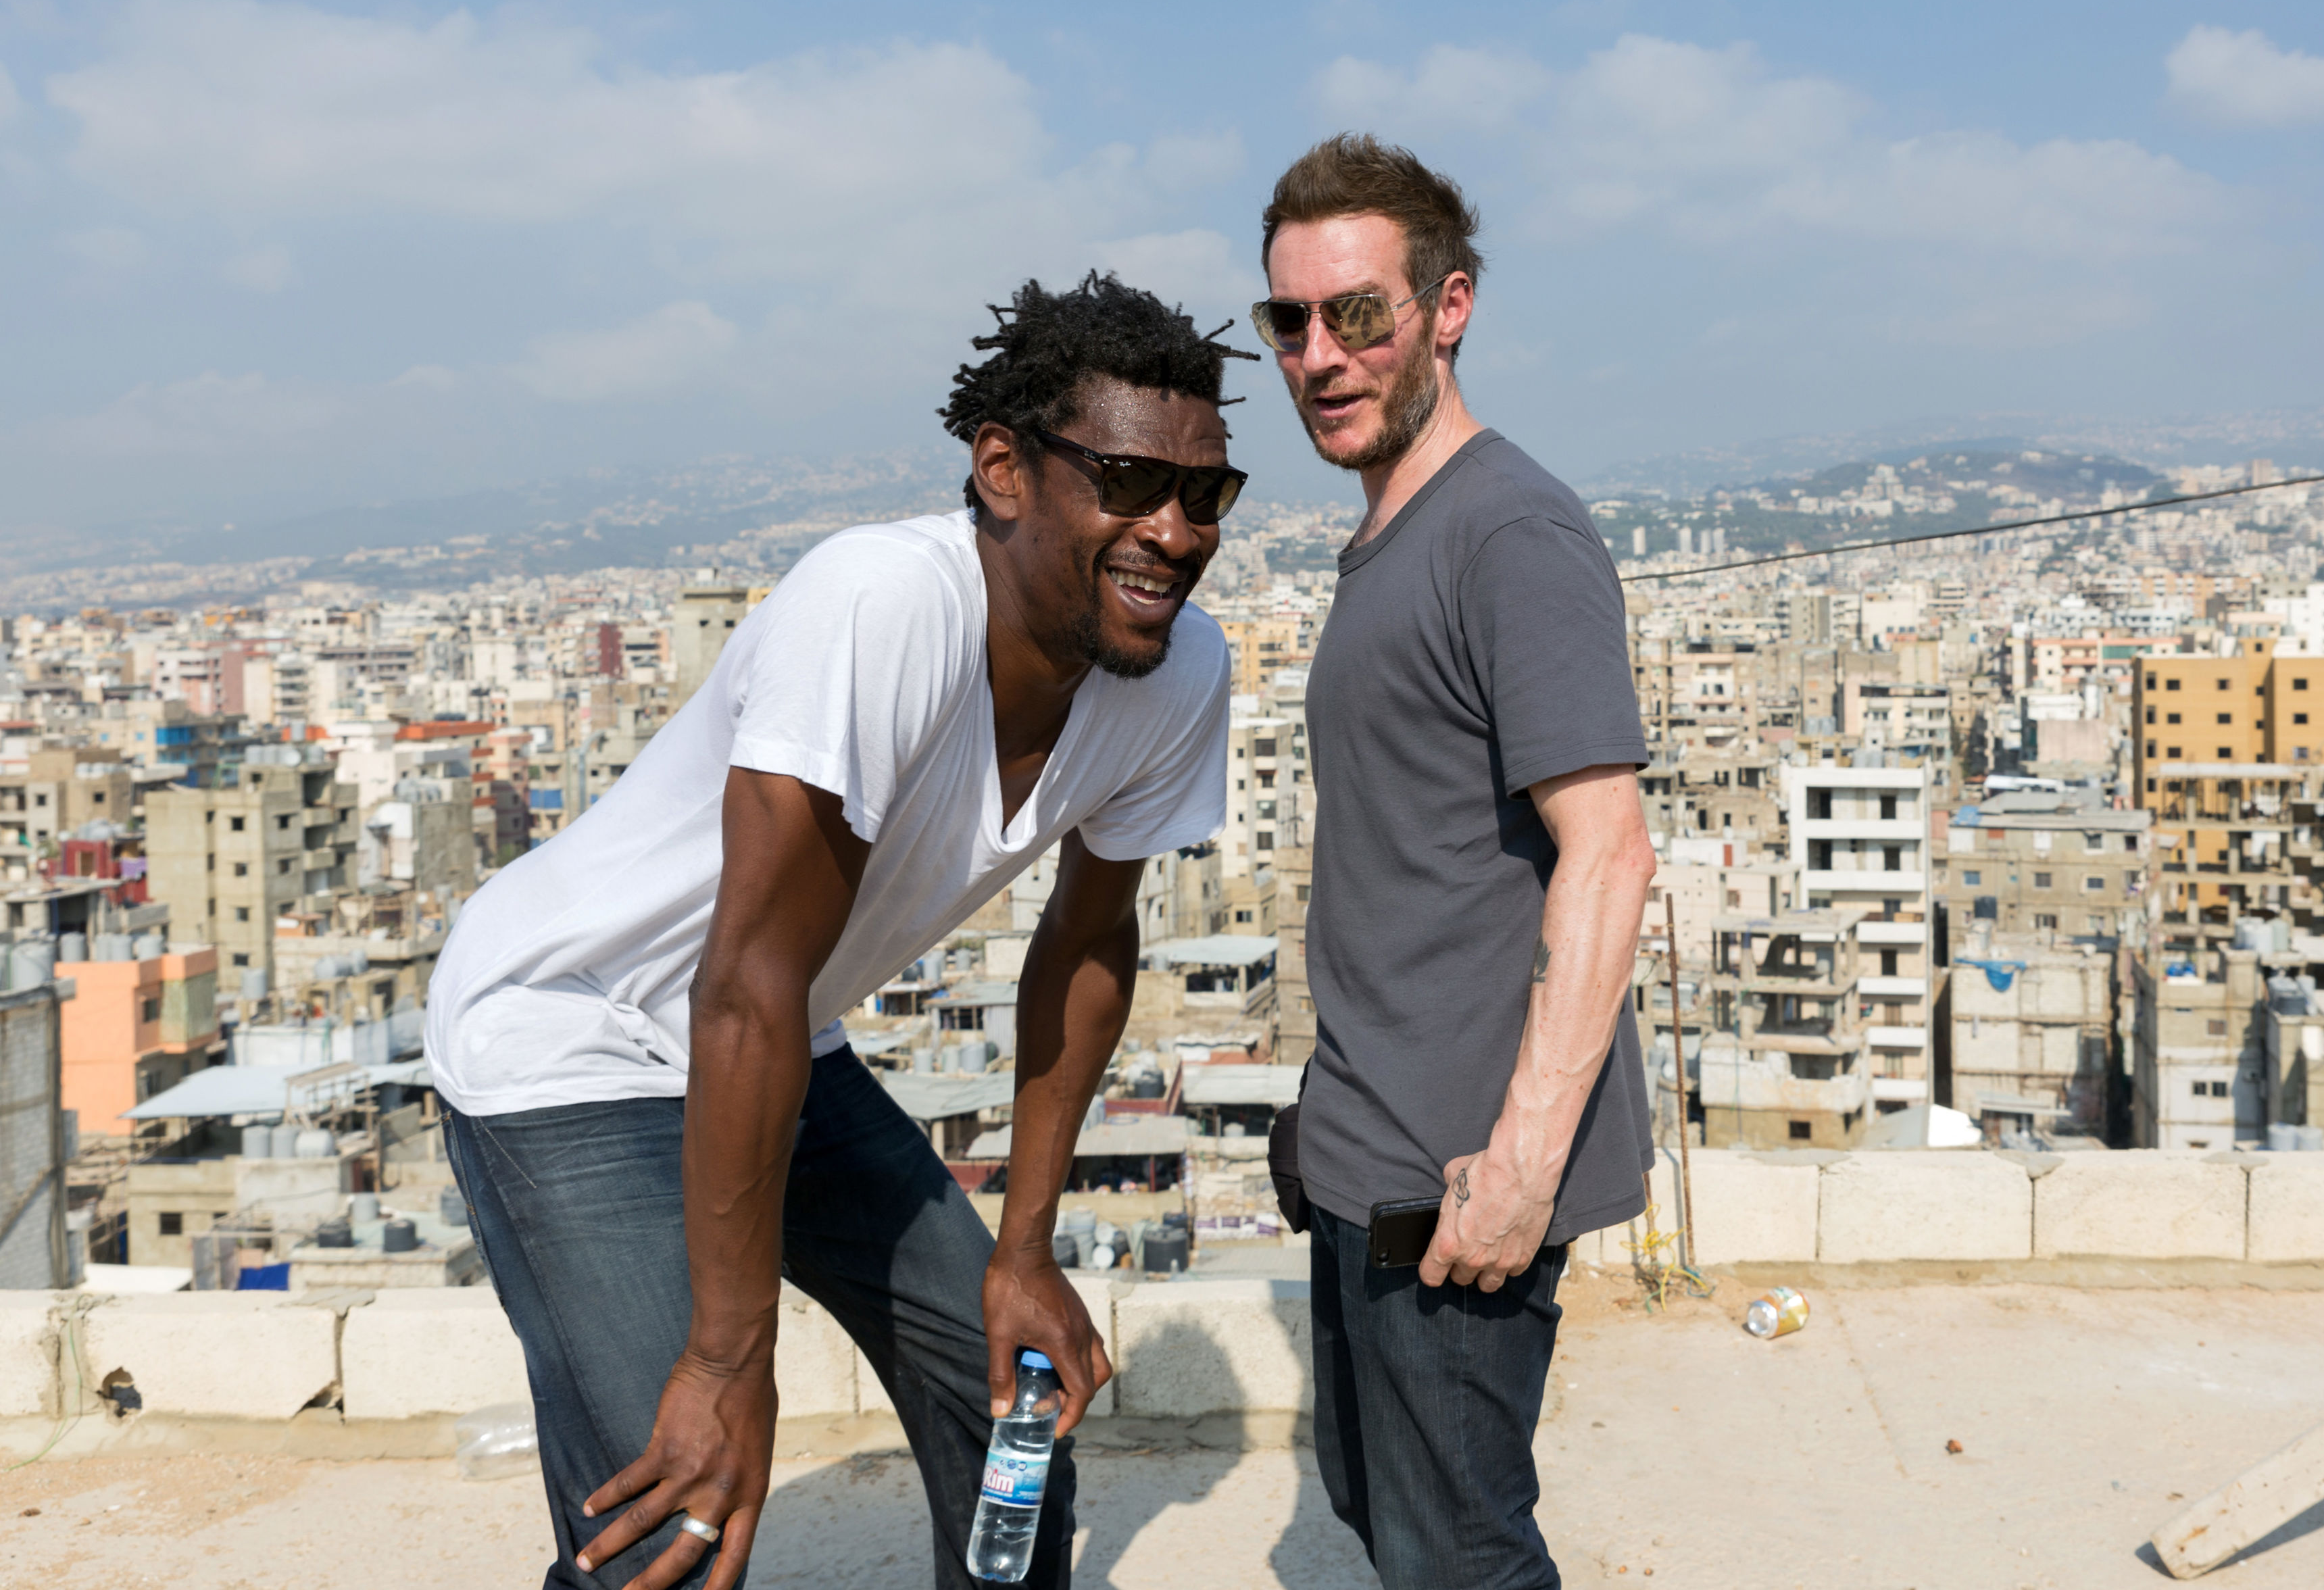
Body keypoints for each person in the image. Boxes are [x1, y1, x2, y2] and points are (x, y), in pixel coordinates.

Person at [427, 272, 1254, 1590]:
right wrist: (726, 1357)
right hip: (568, 1032)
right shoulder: (882, 604)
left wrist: (1024, 1250)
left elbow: (1088, 944)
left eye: (1204, 493)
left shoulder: (1178, 669)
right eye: (1128, 482)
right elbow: (744, 980)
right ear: (1002, 469)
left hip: (774, 1040)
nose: (1173, 530)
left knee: (1010, 1403)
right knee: (674, 1513)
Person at [1256, 135, 1658, 1588]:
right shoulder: (1398, 533)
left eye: (1358, 311)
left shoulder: (1507, 529)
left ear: (1449, 307)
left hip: (1458, 1180)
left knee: (1458, 1557)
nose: (1320, 354)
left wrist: (1523, 1165)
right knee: (1389, 1515)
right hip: (1374, 1150)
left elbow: (1608, 851)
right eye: (1290, 319)